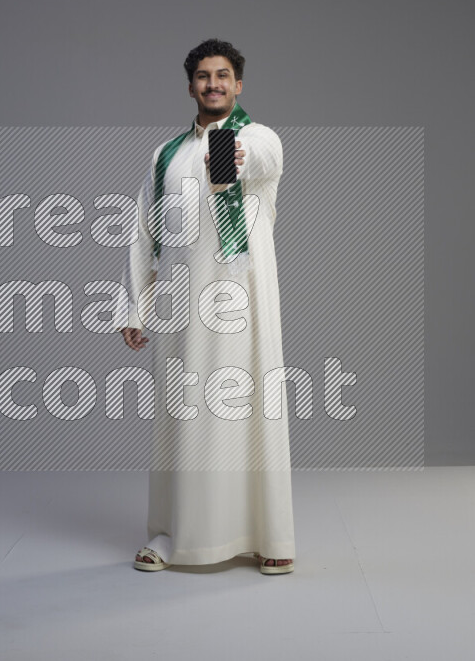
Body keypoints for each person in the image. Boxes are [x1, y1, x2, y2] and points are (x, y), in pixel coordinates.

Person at [118, 38, 296, 574]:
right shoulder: (165, 156)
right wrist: (134, 306)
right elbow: (143, 232)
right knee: (182, 416)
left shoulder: (259, 138)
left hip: (245, 305)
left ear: (238, 84)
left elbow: (258, 160)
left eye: (222, 76)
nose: (213, 84)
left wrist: (232, 153)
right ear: (190, 86)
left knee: (251, 413)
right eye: (203, 76)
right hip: (181, 309)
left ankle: (269, 535)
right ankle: (172, 535)